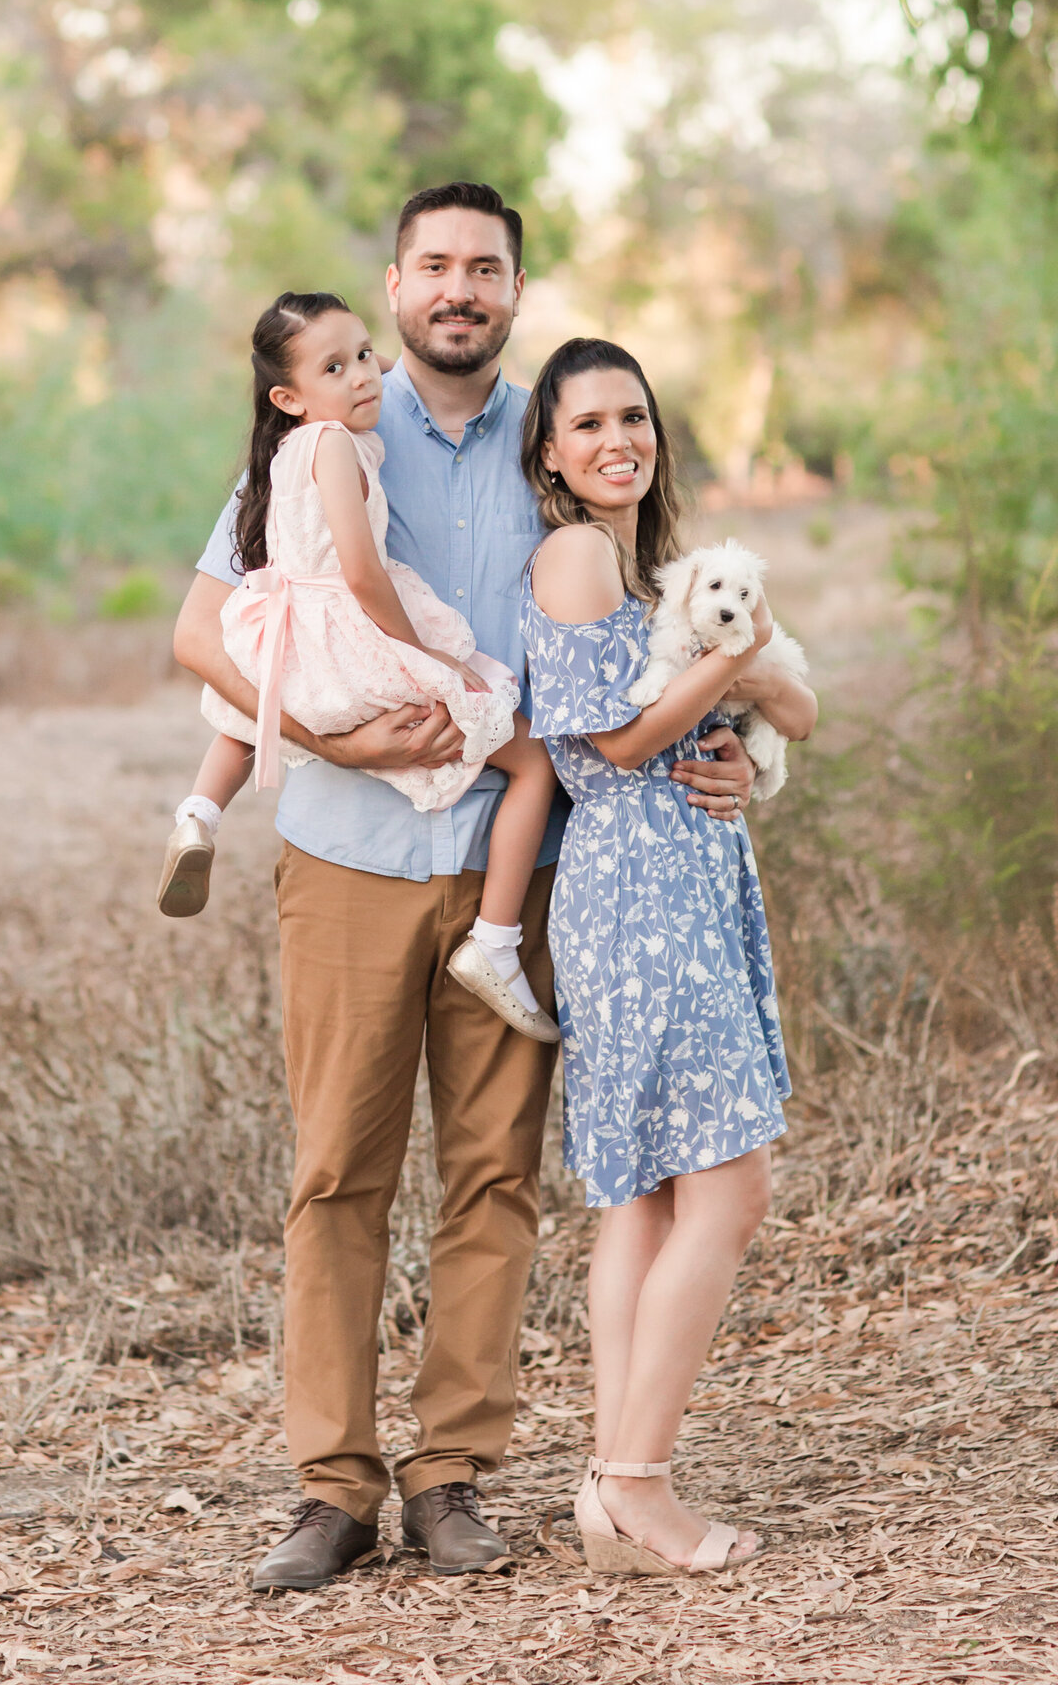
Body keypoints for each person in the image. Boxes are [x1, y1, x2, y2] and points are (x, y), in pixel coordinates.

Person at [172, 185, 759, 1590]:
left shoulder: (556, 443)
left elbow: (647, 636)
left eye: (484, 269)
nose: (458, 289)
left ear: (511, 290)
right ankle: (333, 1486)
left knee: (493, 1177)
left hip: (525, 863)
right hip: (350, 858)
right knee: (336, 1174)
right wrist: (321, 728)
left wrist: (725, 750)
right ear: (391, 286)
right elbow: (206, 628)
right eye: (434, 265)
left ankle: (452, 1474)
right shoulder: (330, 430)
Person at [519, 337, 818, 1576]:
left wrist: (746, 717)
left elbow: (797, 706)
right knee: (728, 1186)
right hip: (637, 893)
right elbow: (621, 744)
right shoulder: (581, 554)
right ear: (549, 450)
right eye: (585, 424)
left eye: (632, 418)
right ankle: (638, 1482)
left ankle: (613, 1489)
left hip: (679, 883)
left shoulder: (666, 567)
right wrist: (729, 671)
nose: (614, 441)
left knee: (646, 1191)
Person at [157, 288, 558, 1040]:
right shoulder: (335, 445)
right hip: (350, 622)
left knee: (256, 703)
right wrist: (428, 654)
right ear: (289, 396)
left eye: (364, 356)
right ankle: (496, 944)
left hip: (286, 615)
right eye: (335, 367)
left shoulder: (285, 450)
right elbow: (364, 571)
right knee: (530, 758)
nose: (362, 376)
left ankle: (199, 814)